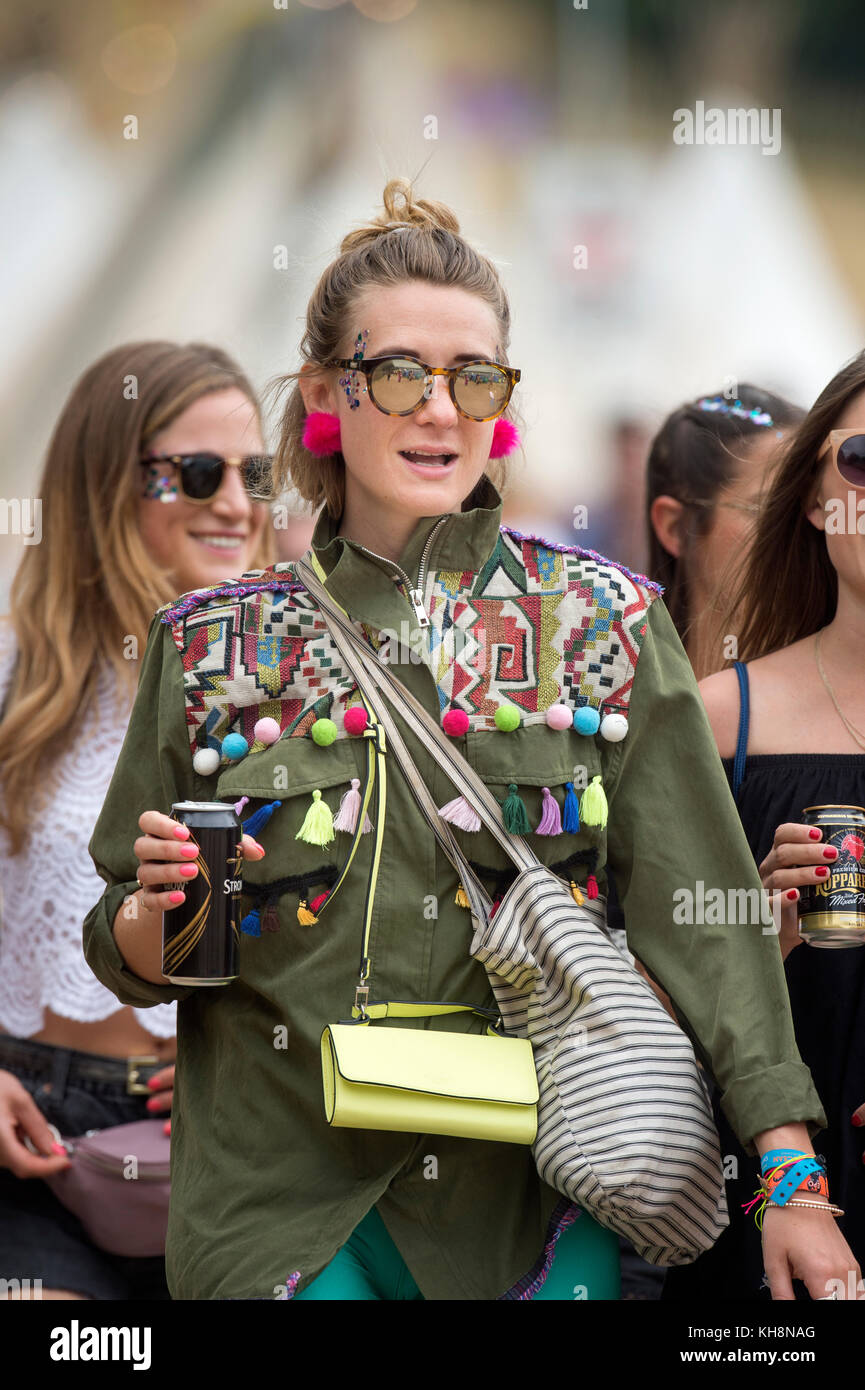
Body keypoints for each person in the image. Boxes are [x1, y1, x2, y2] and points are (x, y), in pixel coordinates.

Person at [83, 179, 858, 1301]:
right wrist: (155, 917)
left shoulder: (605, 623)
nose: (440, 409)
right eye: (399, 372)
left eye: (475, 377)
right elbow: (126, 947)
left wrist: (792, 1179)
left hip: (529, 1197)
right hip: (281, 1203)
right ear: (324, 392)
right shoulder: (212, 645)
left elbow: (710, 917)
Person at [0, 341, 274, 1301]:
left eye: (257, 473)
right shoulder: (16, 683)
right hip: (37, 1142)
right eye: (197, 472)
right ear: (104, 483)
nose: (236, 502)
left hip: (244, 1142)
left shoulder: (301, 686)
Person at [663, 350, 865, 1301]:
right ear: (813, 496)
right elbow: (631, 1007)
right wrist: (748, 938)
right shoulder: (715, 719)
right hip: (769, 1209)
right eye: (861, 460)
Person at [647, 386, 804, 679]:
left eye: (811, 509)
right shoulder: (610, 705)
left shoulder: (843, 706)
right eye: (768, 512)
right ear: (674, 527)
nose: (800, 536)